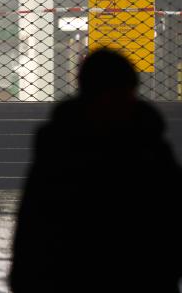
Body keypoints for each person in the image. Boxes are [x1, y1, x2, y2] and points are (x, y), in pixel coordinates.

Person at [10, 48, 182, 293]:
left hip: (69, 275)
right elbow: (172, 216)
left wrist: (24, 278)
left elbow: (34, 222)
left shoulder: (59, 149)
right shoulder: (150, 145)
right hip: (143, 275)